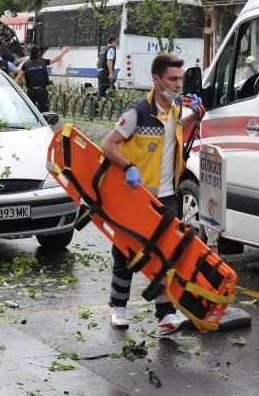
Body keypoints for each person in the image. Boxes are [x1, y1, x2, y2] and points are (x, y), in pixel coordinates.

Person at [101, 53, 205, 335]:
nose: (178, 84)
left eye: (181, 79)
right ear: (156, 80)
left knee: (165, 254)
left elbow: (177, 130)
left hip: (167, 196)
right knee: (126, 252)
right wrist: (128, 166)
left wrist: (196, 112)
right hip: (138, 196)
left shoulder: (174, 112)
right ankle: (118, 306)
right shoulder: (138, 112)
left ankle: (165, 315)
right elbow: (108, 144)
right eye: (173, 79)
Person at [15, 45, 69, 113]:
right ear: (38, 53)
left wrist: (13, 88)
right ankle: (44, 122)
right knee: (44, 111)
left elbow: (19, 77)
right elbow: (56, 58)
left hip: (31, 91)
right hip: (42, 91)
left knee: (31, 111)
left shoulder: (25, 64)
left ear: (30, 53)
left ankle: (33, 122)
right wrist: (63, 51)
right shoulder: (43, 61)